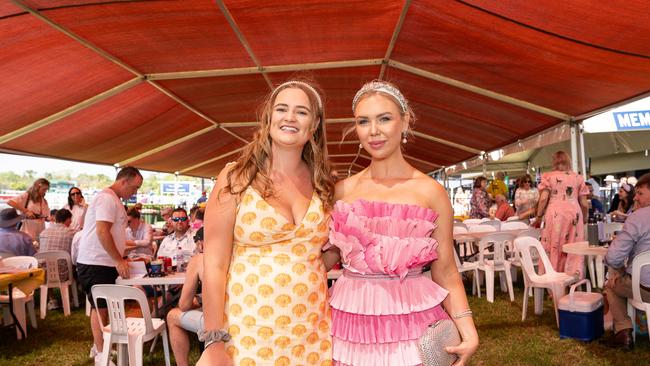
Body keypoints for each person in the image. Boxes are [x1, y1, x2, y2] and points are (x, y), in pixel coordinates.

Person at [326, 81, 478, 365]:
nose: (374, 131)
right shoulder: (341, 191)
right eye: (364, 121)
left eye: (384, 118)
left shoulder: (431, 192)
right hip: (350, 326)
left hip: (413, 323)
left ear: (405, 121)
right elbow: (322, 259)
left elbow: (445, 270)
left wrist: (468, 329)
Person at [197, 79, 334, 366]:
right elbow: (214, 263)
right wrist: (213, 339)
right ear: (268, 118)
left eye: (301, 112)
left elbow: (320, 256)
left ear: (314, 125)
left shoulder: (324, 185)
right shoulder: (236, 177)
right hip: (246, 330)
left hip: (312, 332)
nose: (290, 117)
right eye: (282, 109)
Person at [75, 166, 143, 363]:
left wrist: (120, 256)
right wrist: (117, 259)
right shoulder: (107, 198)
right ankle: (100, 353)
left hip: (102, 262)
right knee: (101, 308)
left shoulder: (113, 199)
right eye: (134, 187)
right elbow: (102, 232)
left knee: (105, 306)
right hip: (96, 262)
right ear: (123, 181)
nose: (135, 192)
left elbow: (111, 233)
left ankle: (101, 346)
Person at [603, 172, 650, 350]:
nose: (635, 198)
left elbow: (613, 257)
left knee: (610, 284)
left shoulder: (637, 217)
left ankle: (623, 333)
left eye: (640, 193)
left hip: (645, 289)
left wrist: (617, 272)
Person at [533, 151, 589, 277]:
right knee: (574, 246)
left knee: (554, 245)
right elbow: (584, 204)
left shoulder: (548, 177)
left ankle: (553, 278)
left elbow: (543, 199)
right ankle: (573, 277)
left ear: (554, 162)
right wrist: (584, 217)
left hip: (555, 214)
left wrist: (538, 216)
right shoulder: (578, 178)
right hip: (575, 214)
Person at [167, 252, 204, 366]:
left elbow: (184, 305)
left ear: (200, 244)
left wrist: (198, 300)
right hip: (245, 315)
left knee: (172, 316)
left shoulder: (199, 259)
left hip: (216, 322)